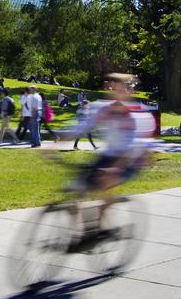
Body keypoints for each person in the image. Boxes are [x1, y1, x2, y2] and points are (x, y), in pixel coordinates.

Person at [59, 73, 153, 244]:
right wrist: (57, 140)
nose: (116, 92)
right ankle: (89, 229)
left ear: (129, 91)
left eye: (121, 88)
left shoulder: (138, 114)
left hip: (132, 161)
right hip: (108, 156)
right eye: (112, 88)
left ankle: (98, 229)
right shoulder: (104, 109)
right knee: (75, 188)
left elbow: (137, 147)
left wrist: (116, 169)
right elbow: (84, 125)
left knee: (104, 183)